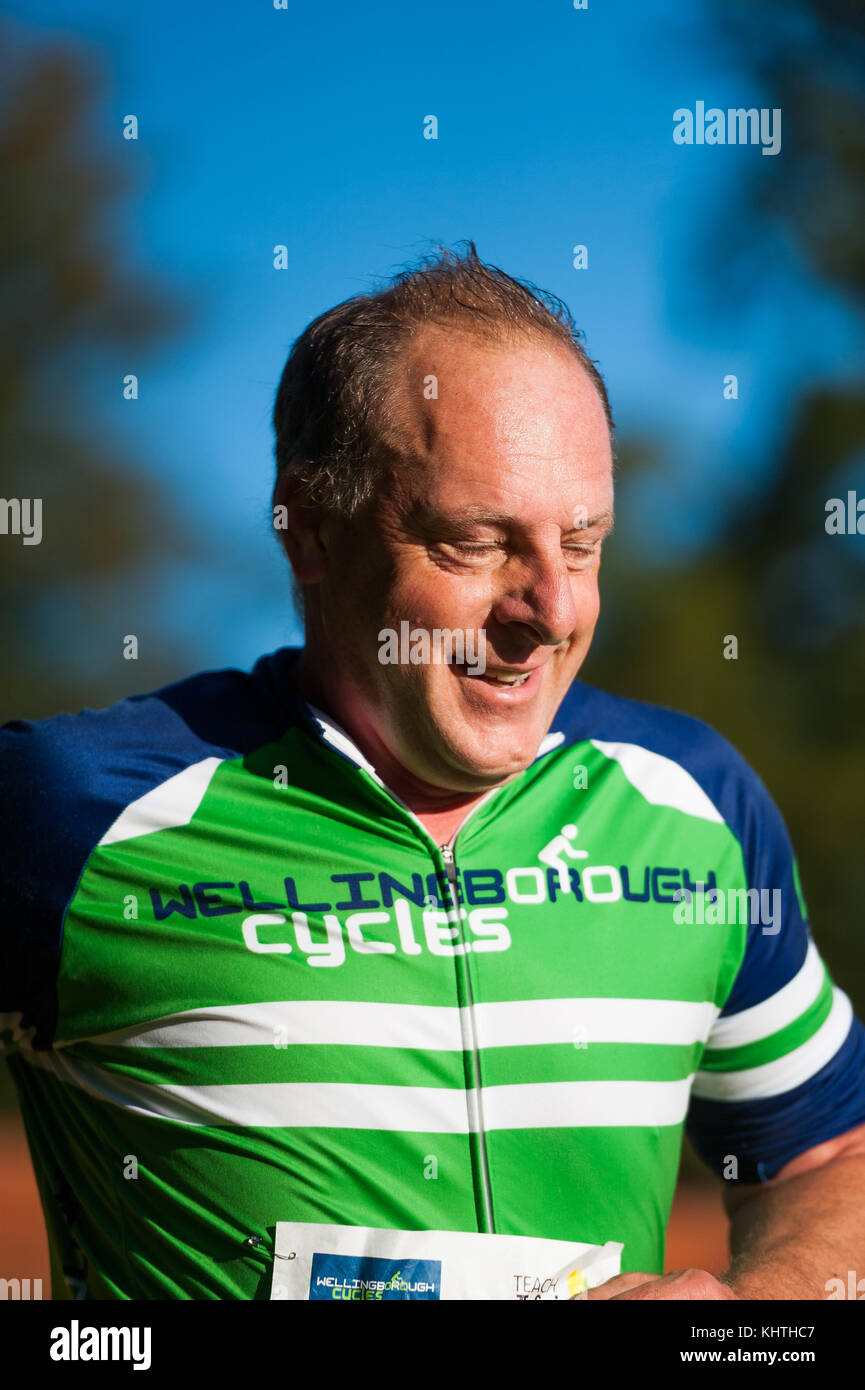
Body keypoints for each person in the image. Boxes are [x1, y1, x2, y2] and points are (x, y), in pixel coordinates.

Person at [2, 245, 864, 1302]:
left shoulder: (690, 803)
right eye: (475, 543)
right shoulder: (74, 809)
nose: (548, 611)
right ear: (311, 530)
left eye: (582, 544)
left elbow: (828, 1156)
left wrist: (747, 1313)